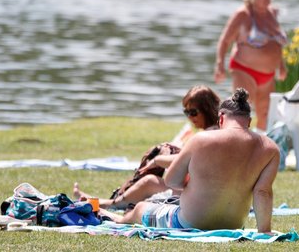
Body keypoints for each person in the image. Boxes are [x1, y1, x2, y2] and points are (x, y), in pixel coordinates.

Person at [99, 88, 280, 232]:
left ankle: (117, 219)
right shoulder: (270, 148)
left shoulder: (201, 140)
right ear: (248, 121)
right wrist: (264, 232)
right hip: (232, 225)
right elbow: (263, 192)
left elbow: (171, 180)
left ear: (221, 118)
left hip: (187, 223)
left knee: (140, 209)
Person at [74, 85, 221, 209]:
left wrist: (157, 160)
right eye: (186, 112)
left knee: (149, 181)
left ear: (207, 110)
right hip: (203, 192)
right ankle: (110, 201)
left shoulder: (208, 136)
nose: (189, 117)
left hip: (196, 195)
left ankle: (109, 204)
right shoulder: (218, 132)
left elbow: (184, 160)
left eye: (193, 112)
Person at [214, 0, 288, 132]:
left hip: (268, 75)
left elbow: (276, 43)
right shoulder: (243, 14)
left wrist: (281, 65)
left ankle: (259, 149)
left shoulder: (271, 14)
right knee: (241, 112)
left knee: (266, 115)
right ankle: (235, 144)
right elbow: (224, 40)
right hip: (244, 70)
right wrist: (220, 64)